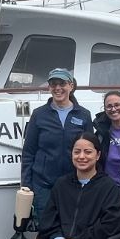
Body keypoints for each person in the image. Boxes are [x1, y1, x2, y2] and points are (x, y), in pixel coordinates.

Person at [21, 68, 95, 227]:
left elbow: (91, 151)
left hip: (74, 184)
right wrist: (26, 185)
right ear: (49, 87)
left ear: (71, 86)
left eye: (62, 83)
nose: (57, 88)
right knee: (46, 228)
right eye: (53, 84)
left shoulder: (83, 115)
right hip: (43, 185)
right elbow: (28, 153)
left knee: (72, 228)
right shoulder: (39, 114)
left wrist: (91, 183)